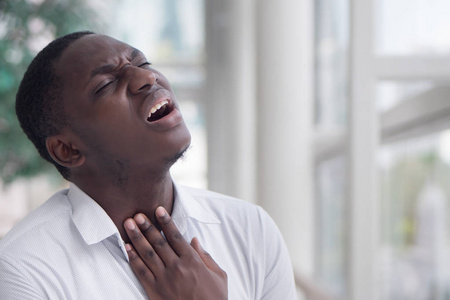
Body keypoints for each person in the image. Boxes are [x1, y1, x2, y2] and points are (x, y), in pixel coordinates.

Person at [0, 31, 297, 299]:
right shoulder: (21, 269)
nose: (147, 78)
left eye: (142, 64)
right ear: (67, 149)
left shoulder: (250, 228)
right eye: (105, 84)